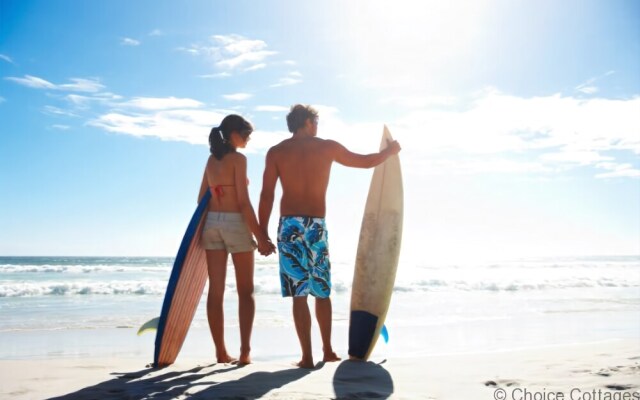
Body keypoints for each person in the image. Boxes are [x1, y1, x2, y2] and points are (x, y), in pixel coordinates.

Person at [258, 104, 401, 368]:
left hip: (289, 226)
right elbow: (365, 162)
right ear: (309, 122)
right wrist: (390, 152)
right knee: (321, 291)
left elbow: (266, 194)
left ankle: (307, 357)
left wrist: (261, 234)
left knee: (299, 293)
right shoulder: (326, 147)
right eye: (316, 121)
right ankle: (327, 351)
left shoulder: (277, 152)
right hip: (316, 226)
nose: (318, 126)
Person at [198, 114, 276, 365]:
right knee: (245, 291)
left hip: (212, 225)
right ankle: (244, 353)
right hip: (235, 223)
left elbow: (201, 199)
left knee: (216, 292)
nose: (248, 139)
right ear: (233, 134)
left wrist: (220, 191)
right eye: (245, 134)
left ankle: (220, 352)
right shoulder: (239, 160)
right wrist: (261, 237)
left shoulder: (211, 161)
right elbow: (243, 203)